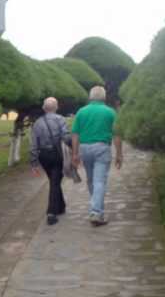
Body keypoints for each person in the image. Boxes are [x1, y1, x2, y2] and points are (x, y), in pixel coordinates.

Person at [71, 86, 123, 226]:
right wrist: (119, 154)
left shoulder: (81, 112)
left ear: (90, 97)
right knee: (99, 181)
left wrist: (75, 153)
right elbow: (117, 135)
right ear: (104, 97)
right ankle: (96, 212)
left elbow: (75, 134)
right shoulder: (110, 112)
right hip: (102, 148)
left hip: (85, 149)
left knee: (91, 180)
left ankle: (96, 209)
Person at [30, 97, 70, 225]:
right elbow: (66, 137)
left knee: (54, 180)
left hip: (43, 156)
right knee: (55, 181)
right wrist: (73, 148)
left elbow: (33, 145)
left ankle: (61, 206)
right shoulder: (60, 120)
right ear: (56, 107)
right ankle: (51, 213)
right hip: (57, 154)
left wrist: (34, 162)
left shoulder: (37, 123)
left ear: (44, 108)